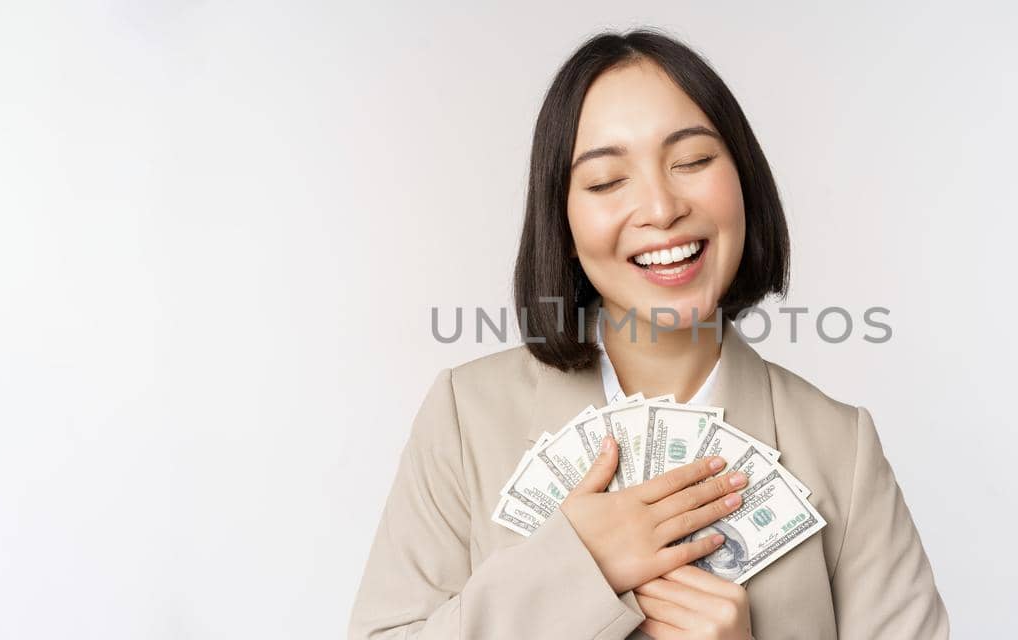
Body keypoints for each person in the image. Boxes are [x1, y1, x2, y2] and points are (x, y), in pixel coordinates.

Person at [348, 28, 949, 639]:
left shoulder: (841, 449)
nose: (661, 208)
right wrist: (577, 570)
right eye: (607, 181)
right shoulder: (465, 416)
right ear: (563, 217)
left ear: (744, 178)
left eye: (691, 162)